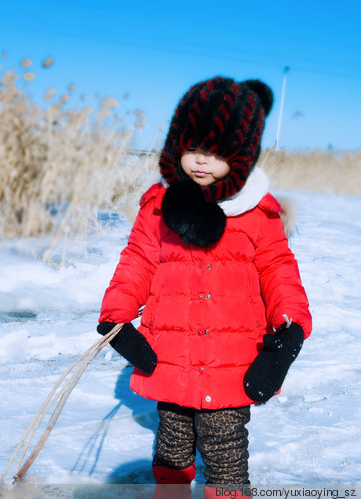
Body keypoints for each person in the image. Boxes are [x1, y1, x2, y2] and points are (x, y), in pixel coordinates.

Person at [97, 76, 312, 495]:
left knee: (225, 450)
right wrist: (116, 318)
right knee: (172, 446)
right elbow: (137, 262)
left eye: (215, 153)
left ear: (241, 156)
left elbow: (279, 271)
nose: (200, 162)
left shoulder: (257, 214)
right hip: (170, 356)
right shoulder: (158, 208)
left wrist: (290, 332)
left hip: (234, 363)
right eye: (193, 149)